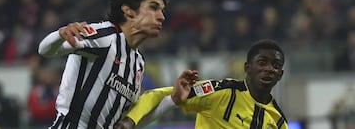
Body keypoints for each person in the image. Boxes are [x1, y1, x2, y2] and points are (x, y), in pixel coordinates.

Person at [38, 0, 199, 128]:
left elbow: (128, 121)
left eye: (162, 10)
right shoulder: (105, 37)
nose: (161, 17)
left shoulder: (138, 63)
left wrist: (173, 100)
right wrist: (60, 34)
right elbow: (45, 50)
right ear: (128, 11)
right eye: (153, 7)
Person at [114, 39, 288, 129]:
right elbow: (157, 94)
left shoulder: (278, 120)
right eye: (262, 62)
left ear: (280, 74)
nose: (269, 69)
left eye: (276, 66)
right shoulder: (221, 92)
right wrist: (131, 120)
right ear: (247, 67)